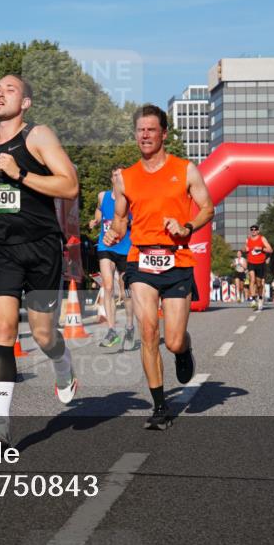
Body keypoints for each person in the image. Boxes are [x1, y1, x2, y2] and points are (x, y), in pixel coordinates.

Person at [0, 74, 80, 449]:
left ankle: (62, 366)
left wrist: (22, 173)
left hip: (42, 246)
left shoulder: (38, 136)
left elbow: (69, 186)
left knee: (45, 335)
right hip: (1, 248)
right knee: (4, 331)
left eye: (9, 89)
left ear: (26, 102)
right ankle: (1, 424)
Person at [104, 104, 214, 431]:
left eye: (152, 130)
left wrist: (187, 226)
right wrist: (114, 231)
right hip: (141, 261)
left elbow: (207, 207)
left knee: (174, 340)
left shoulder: (185, 170)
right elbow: (121, 220)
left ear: (164, 134)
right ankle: (160, 406)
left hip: (177, 260)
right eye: (140, 130)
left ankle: (183, 350)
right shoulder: (126, 177)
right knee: (149, 330)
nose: (145, 135)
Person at [90, 166, 135, 351]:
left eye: (121, 175)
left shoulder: (131, 199)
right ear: (111, 178)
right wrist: (97, 220)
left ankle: (130, 327)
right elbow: (99, 210)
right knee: (107, 287)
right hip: (105, 245)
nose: (118, 177)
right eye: (115, 174)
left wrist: (126, 222)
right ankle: (111, 331)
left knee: (125, 293)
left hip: (125, 248)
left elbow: (138, 219)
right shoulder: (103, 196)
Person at [245, 225, 273, 311]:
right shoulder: (248, 240)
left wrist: (261, 248)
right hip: (251, 263)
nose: (253, 231)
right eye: (252, 230)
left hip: (260, 263)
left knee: (259, 284)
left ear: (258, 231)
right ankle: (253, 299)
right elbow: (245, 249)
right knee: (252, 280)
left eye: (255, 229)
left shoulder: (262, 238)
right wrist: (245, 249)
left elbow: (270, 250)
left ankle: (260, 298)